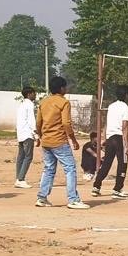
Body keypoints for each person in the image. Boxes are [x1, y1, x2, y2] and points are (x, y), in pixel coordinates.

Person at [35, 76, 89, 209]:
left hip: (47, 141)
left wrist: (42, 135)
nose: (66, 89)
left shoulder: (44, 102)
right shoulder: (63, 102)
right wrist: (73, 140)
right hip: (59, 141)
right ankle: (73, 199)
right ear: (61, 88)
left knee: (48, 169)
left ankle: (42, 198)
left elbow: (38, 122)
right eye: (65, 87)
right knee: (70, 169)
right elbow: (66, 123)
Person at [93, 85, 128, 199]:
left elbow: (106, 124)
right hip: (119, 138)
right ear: (126, 95)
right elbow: (124, 127)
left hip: (110, 138)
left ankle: (96, 186)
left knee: (106, 164)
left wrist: (104, 139)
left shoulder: (111, 106)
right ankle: (117, 189)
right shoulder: (126, 108)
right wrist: (127, 146)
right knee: (122, 164)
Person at [14, 86, 37, 189]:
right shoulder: (29, 104)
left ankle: (18, 178)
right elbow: (31, 121)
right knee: (28, 157)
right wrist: (36, 134)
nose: (35, 95)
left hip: (21, 133)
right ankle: (21, 179)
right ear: (29, 94)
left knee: (21, 157)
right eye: (34, 93)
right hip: (27, 134)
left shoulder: (21, 105)